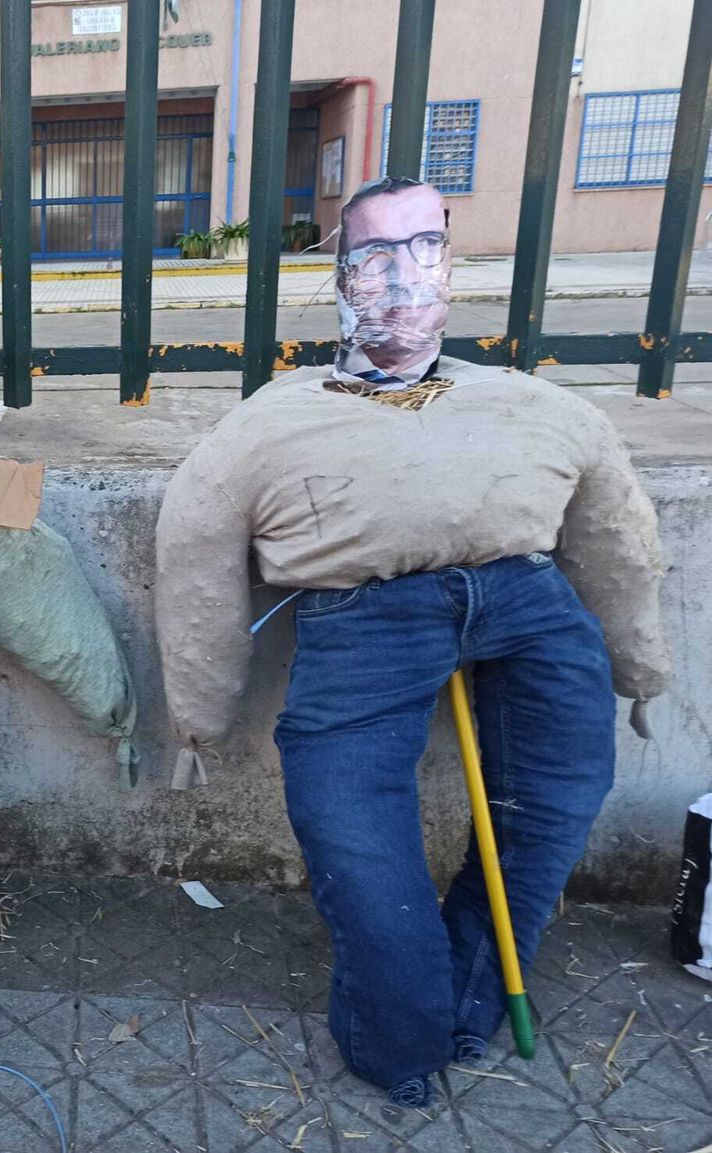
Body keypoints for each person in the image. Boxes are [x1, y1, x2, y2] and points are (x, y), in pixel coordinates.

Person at [154, 176, 671, 1107]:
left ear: (451, 261)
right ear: (341, 274)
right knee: (356, 841)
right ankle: (396, 1035)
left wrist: (639, 666)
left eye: (425, 247)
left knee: (554, 797)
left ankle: (471, 993)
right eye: (376, 254)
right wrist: (200, 716)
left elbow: (616, 538)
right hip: (363, 620)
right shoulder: (270, 420)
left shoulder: (534, 404)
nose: (403, 275)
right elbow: (195, 549)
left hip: (529, 601)